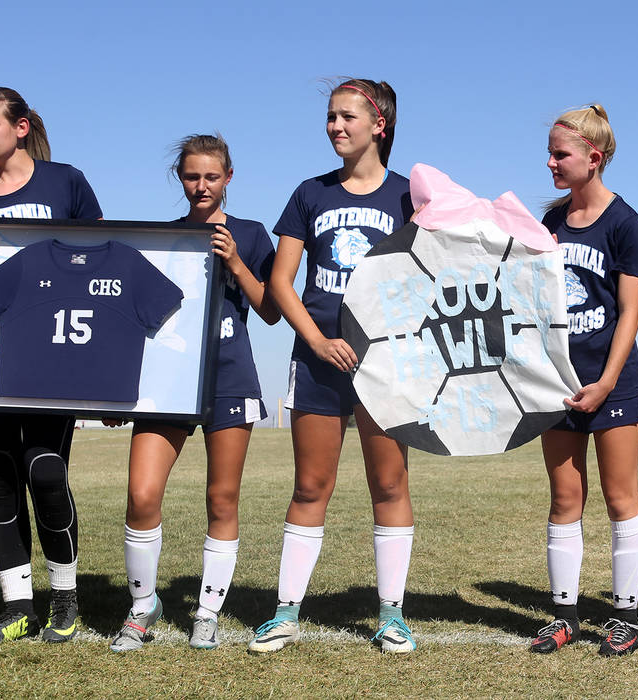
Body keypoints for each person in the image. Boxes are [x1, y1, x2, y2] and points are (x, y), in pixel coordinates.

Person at [247, 78, 417, 655]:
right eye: (330, 117)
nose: (335, 126)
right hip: (318, 360)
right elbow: (280, 282)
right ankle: (286, 611)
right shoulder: (309, 194)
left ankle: (392, 614)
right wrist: (318, 341)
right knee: (310, 485)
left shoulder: (409, 196)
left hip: (388, 364)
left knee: (389, 483)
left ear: (380, 125)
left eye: (346, 116)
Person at [0, 87, 103, 645]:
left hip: (56, 355)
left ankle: (64, 598)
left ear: (22, 126)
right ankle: (16, 606)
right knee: (1, 479)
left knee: (46, 472)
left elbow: (101, 263)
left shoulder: (65, 182)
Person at [107, 134, 279, 652]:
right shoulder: (160, 236)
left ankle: (206, 612)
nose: (201, 186)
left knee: (221, 498)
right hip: (166, 381)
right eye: (191, 176)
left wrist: (236, 263)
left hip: (230, 377)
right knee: (141, 495)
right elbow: (132, 317)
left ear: (228, 178)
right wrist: (119, 389)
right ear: (179, 179)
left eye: (211, 176)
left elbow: (271, 310)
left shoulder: (249, 234)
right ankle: (142, 608)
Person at [529, 105, 638, 656]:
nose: (550, 161)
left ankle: (625, 617)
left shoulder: (626, 224)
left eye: (561, 153)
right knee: (564, 497)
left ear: (593, 158)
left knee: (620, 496)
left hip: (613, 383)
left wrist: (605, 381)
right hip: (558, 383)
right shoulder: (549, 224)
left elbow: (629, 313)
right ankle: (564, 616)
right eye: (551, 152)